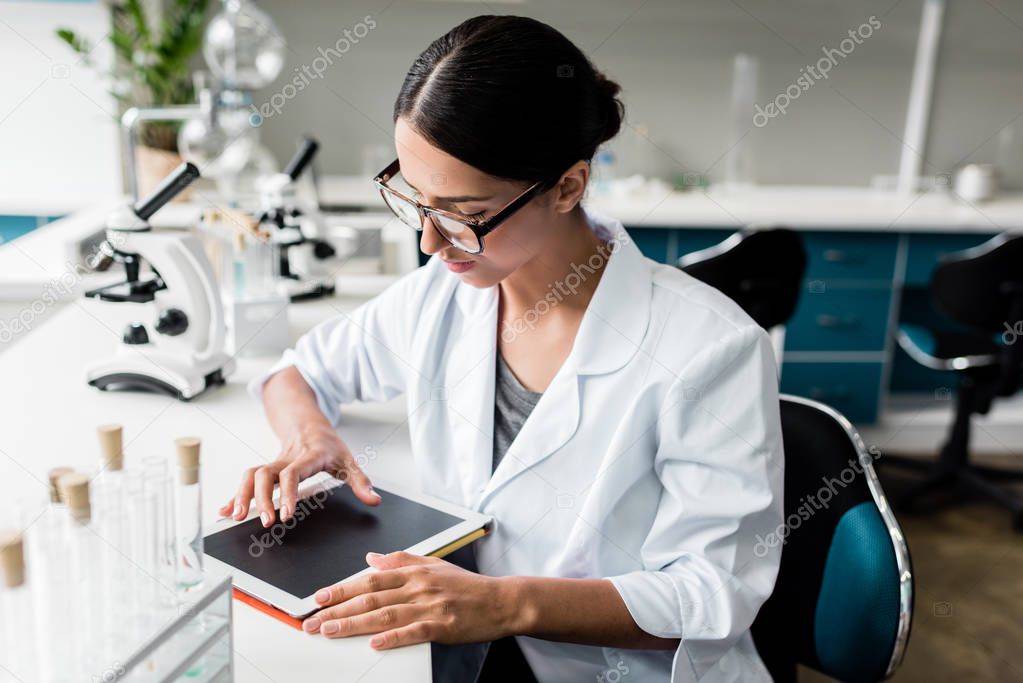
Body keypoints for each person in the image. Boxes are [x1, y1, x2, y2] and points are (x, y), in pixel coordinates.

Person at [222, 14, 784, 683]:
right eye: (415, 199)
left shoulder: (710, 349)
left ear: (568, 186)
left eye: (462, 214)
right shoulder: (444, 293)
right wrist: (308, 439)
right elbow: (295, 373)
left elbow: (712, 598)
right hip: (473, 652)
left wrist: (504, 602)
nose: (430, 242)